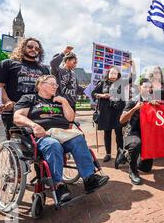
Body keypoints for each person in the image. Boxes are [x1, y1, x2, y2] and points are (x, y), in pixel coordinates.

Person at [13, 75, 109, 203]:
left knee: (78, 139)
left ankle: (89, 179)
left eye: (56, 85)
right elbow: (17, 117)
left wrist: (64, 102)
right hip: (44, 135)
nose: (55, 86)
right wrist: (34, 125)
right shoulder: (30, 98)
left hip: (63, 133)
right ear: (40, 85)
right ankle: (58, 185)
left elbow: (70, 119)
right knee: (53, 145)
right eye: (51, 84)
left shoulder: (58, 100)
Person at [0, 37, 50, 140]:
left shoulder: (44, 68)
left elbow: (48, 89)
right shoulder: (8, 64)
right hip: (15, 110)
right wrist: (7, 101)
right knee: (18, 145)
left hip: (38, 110)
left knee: (41, 143)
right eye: (30, 47)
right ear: (22, 47)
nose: (33, 50)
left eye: (37, 48)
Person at [118, 78, 156, 185]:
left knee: (146, 168)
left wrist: (156, 107)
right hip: (132, 132)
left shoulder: (152, 101)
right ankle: (132, 172)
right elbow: (122, 120)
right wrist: (135, 108)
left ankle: (125, 155)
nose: (148, 89)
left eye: (149, 87)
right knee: (136, 144)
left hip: (146, 133)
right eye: (145, 87)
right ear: (140, 87)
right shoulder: (133, 100)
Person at [91, 66, 132, 162]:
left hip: (118, 112)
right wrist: (101, 95)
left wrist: (133, 66)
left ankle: (120, 154)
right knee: (107, 133)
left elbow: (131, 78)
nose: (113, 75)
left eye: (115, 73)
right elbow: (93, 93)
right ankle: (108, 154)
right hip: (106, 112)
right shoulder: (102, 83)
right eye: (111, 73)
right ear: (108, 74)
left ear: (118, 75)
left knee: (119, 134)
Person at [50, 46, 85, 111]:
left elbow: (77, 88)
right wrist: (64, 53)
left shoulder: (74, 74)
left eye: (76, 63)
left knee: (70, 121)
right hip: (60, 103)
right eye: (74, 62)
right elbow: (53, 64)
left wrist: (88, 90)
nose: (75, 65)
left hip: (72, 104)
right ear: (67, 61)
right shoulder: (58, 70)